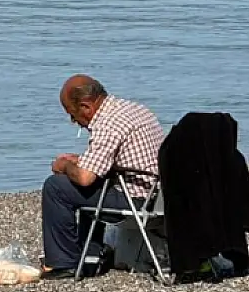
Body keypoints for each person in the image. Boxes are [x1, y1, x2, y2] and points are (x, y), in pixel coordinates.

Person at [41, 74, 164, 277]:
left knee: (56, 187)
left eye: (72, 114)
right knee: (92, 182)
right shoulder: (134, 109)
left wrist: (63, 165)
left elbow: (85, 178)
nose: (73, 121)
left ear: (86, 106)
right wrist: (80, 161)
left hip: (136, 200)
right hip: (158, 194)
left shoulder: (108, 123)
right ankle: (90, 256)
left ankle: (63, 262)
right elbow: (117, 159)